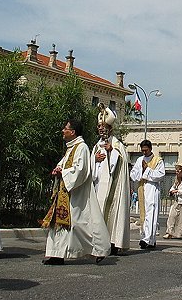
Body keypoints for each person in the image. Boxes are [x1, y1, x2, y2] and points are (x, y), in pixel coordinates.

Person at [41, 119, 110, 265]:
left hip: (77, 194)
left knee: (80, 225)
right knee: (61, 223)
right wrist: (58, 169)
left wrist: (64, 173)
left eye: (65, 128)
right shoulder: (71, 148)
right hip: (66, 191)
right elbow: (65, 163)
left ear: (72, 132)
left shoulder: (82, 147)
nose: (62, 131)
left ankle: (99, 249)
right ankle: (56, 254)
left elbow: (81, 169)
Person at [91, 103, 130, 255]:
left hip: (113, 187)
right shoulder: (96, 146)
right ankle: (100, 241)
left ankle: (113, 242)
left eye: (104, 127)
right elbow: (90, 166)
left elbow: (123, 161)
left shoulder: (117, 145)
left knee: (112, 213)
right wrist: (94, 159)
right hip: (98, 185)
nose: (101, 129)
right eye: (99, 127)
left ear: (110, 129)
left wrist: (112, 151)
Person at [130, 140, 165, 249]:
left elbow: (160, 175)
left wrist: (147, 170)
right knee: (143, 214)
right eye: (142, 150)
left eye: (146, 150)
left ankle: (147, 239)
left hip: (152, 188)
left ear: (150, 149)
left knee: (151, 213)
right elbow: (133, 174)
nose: (144, 152)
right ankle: (148, 239)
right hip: (142, 187)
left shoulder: (157, 160)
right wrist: (140, 172)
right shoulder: (139, 160)